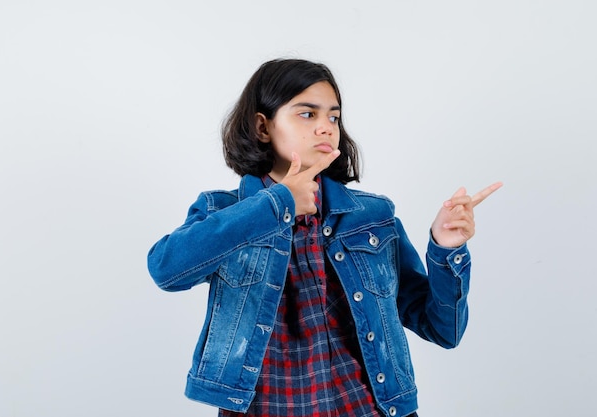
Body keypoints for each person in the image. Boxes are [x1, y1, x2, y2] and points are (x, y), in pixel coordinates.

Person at [147, 58, 502, 417]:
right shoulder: (224, 211)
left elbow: (443, 329)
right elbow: (166, 269)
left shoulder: (372, 216)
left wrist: (446, 249)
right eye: (307, 114)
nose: (325, 128)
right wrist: (277, 205)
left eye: (333, 117)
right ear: (262, 126)